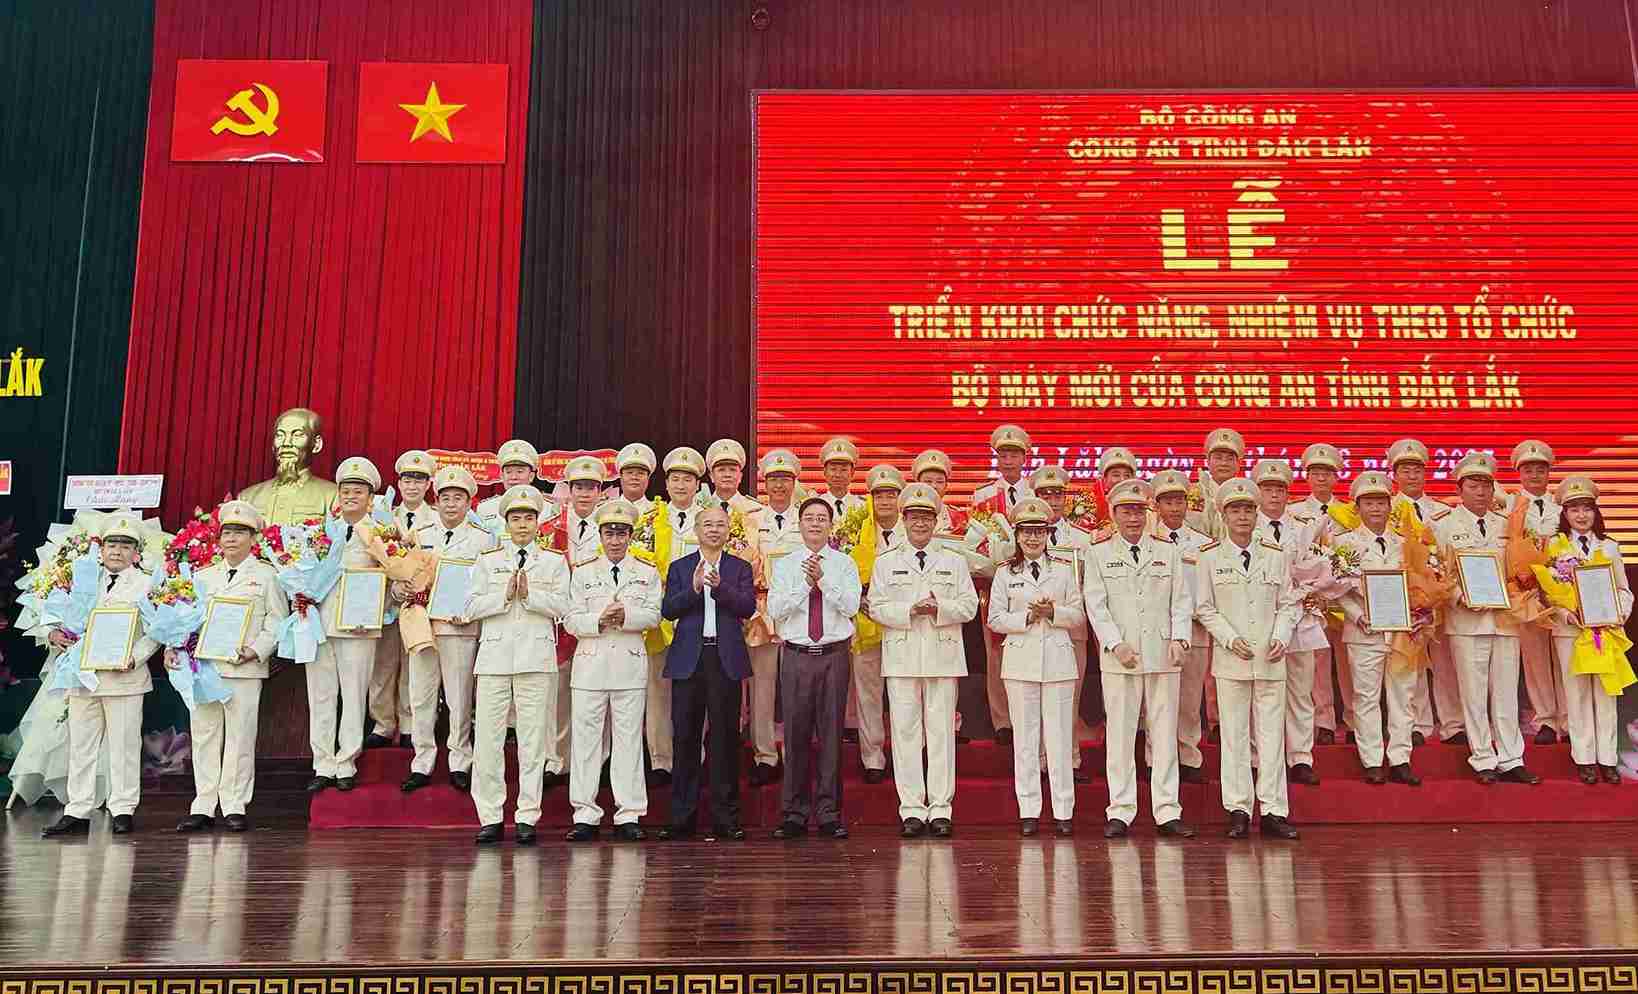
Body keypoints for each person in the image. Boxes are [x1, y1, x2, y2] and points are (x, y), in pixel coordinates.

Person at [1083, 480, 1196, 839]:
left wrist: (1180, 638)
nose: (1133, 518)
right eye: (1125, 511)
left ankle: (1167, 810)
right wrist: (1115, 644)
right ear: (1113, 514)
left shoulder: (1167, 550)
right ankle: (1120, 810)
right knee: (1120, 734)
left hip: (1163, 654)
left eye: (1138, 511)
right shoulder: (1097, 552)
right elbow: (1096, 605)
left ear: (1148, 514)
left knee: (1164, 734)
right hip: (1121, 657)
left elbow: (1181, 600)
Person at [868, 482, 978, 838]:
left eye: (926, 517)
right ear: (903, 519)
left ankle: (941, 808)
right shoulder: (886, 561)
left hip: (942, 655)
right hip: (902, 656)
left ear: (936, 520)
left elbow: (970, 606)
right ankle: (912, 809)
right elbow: (876, 607)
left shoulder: (954, 561)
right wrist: (909, 610)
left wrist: (939, 608)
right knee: (905, 733)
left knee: (942, 732)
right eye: (914, 516)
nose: (920, 523)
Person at [41, 514, 162, 838]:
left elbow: (157, 631)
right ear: (101, 549)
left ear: (135, 552)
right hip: (83, 676)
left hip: (125, 678)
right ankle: (77, 810)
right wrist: (53, 633)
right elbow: (56, 615)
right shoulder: (81, 578)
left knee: (124, 747)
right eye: (112, 545)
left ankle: (122, 808)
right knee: (81, 746)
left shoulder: (147, 583)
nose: (117, 551)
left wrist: (135, 658)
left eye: (125, 546)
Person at [1194, 478, 1302, 840]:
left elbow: (1289, 603)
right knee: (1234, 736)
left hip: (1271, 658)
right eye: (1235, 510)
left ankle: (1274, 810)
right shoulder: (1209, 556)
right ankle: (1238, 808)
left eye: (1248, 510)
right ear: (1223, 515)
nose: (1242, 516)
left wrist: (1281, 636)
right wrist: (1228, 638)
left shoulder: (1275, 554)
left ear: (1257, 514)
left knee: (1272, 737)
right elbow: (1204, 607)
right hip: (1232, 659)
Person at [463, 485, 571, 845]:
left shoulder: (553, 561)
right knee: (488, 741)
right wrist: (504, 595)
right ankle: (490, 816)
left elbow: (565, 607)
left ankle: (527, 815)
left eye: (528, 518)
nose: (522, 524)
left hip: (536, 659)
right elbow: (470, 607)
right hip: (494, 659)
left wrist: (531, 596)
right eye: (515, 518)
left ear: (537, 523)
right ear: (505, 523)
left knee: (532, 741)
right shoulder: (487, 559)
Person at [176, 500, 289, 832]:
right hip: (206, 668)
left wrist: (255, 650)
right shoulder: (203, 576)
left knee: (240, 737)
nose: (232, 539)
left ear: (253, 539)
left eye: (240, 533)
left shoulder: (268, 576)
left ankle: (234, 804)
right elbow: (186, 622)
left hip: (244, 668)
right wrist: (176, 647)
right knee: (204, 736)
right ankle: (203, 805)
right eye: (227, 533)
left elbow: (277, 622)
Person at [1431, 450, 1540, 786]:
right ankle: (1482, 758)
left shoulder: (1508, 525)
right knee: (1473, 693)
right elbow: (1435, 572)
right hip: (1466, 620)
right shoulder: (1443, 525)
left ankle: (1511, 758)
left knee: (1506, 692)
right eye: (1473, 485)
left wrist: (1523, 583)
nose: (1480, 492)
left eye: (1486, 485)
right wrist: (1459, 596)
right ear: (1460, 489)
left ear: (1494, 489)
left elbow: (1522, 568)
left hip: (1505, 619)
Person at [987, 498, 1086, 837]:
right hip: (1020, 662)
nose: (1032, 538)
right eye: (1026, 532)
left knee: (1059, 739)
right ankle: (1029, 810)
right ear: (1017, 535)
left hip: (1058, 661)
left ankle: (1063, 811)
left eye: (1039, 532)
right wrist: (1026, 617)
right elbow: (994, 619)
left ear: (1048, 534)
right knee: (1026, 740)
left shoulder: (1063, 569)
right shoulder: (1005, 572)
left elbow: (1078, 615)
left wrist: (1053, 612)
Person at [564, 498, 662, 840]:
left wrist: (627, 616)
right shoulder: (583, 571)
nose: (616, 540)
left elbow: (655, 615)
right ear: (600, 535)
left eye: (621, 533)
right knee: (586, 742)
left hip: (629, 665)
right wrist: (598, 620)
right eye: (609, 533)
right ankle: (584, 814)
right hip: (590, 665)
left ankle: (629, 813)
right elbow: (570, 619)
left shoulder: (646, 572)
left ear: (630, 536)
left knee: (628, 741)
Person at [660, 501, 756, 840]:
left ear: (728, 531)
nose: (714, 530)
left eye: (720, 525)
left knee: (725, 739)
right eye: (708, 525)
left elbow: (747, 607)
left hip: (724, 659)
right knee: (685, 738)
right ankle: (681, 818)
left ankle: (725, 818)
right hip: (689, 660)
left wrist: (720, 587)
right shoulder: (681, 567)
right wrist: (696, 588)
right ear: (697, 530)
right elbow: (668, 610)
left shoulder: (739, 567)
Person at [768, 494, 862, 839]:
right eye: (810, 518)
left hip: (834, 655)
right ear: (800, 524)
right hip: (796, 656)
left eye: (822, 518)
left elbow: (851, 606)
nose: (816, 523)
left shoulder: (844, 564)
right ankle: (794, 813)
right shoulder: (785, 564)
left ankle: (828, 813)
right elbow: (776, 609)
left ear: (831, 525)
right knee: (795, 735)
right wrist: (806, 584)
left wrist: (823, 580)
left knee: (831, 735)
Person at [403, 465, 493, 794]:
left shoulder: (483, 539)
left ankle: (460, 760)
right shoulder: (420, 533)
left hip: (459, 627)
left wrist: (470, 611)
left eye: (458, 498)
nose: (451, 504)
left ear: (469, 502)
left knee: (459, 697)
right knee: (421, 696)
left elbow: (487, 585)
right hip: (422, 626)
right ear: (436, 500)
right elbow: (402, 577)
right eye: (445, 498)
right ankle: (422, 761)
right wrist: (403, 589)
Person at [1333, 471, 1422, 786]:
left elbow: (1421, 586)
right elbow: (1337, 590)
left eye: (1381, 502)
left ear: (1389, 506)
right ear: (1357, 507)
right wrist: (1357, 616)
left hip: (1401, 632)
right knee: (1365, 696)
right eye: (1368, 503)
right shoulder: (1344, 544)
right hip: (1364, 631)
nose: (1375, 509)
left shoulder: (1407, 543)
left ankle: (1400, 758)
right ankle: (1371, 759)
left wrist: (1420, 613)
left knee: (1403, 695)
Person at [306, 457, 386, 794]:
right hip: (319, 624)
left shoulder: (381, 534)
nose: (351, 496)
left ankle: (346, 761)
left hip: (359, 626)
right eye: (346, 491)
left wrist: (379, 609)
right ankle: (322, 763)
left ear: (371, 497)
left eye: (358, 491)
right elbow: (302, 574)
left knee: (354, 694)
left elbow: (392, 578)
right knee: (320, 695)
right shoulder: (319, 532)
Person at [1548, 476, 1633, 784]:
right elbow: (1546, 594)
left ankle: (1607, 759)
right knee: (1577, 694)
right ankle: (1584, 758)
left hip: (1605, 632)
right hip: (1570, 633)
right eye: (1574, 510)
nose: (1581, 515)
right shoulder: (1554, 546)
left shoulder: (1609, 547)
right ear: (1565, 514)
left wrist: (1618, 614)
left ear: (1596, 512)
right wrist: (1565, 613)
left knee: (1606, 694)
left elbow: (1623, 590)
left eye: (1587, 508)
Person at [1250, 458, 1328, 787]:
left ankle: (1300, 757)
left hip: (1300, 619)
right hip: (1260, 620)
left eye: (1280, 489)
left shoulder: (1303, 527)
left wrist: (1315, 593)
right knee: (1262, 692)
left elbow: (1322, 570)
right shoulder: (1245, 527)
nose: (1274, 496)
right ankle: (1260, 758)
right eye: (1267, 489)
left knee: (1300, 690)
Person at [1389, 437, 1462, 746]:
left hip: (1441, 598)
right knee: (1412, 662)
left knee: (1446, 663)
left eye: (1417, 469)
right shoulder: (1386, 510)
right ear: (1394, 474)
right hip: (1405, 599)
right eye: (1405, 470)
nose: (1412, 476)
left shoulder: (1444, 512)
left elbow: (1451, 553)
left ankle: (1453, 724)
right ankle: (1418, 725)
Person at [643, 446, 708, 786]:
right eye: (675, 479)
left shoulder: (710, 520)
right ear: (666, 483)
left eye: (688, 479)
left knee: (698, 690)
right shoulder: (650, 520)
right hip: (661, 616)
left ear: (698, 484)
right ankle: (661, 760)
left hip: (699, 617)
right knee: (658, 690)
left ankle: (695, 757)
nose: (681, 485)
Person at [366, 449, 438, 750]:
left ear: (428, 484)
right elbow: (371, 563)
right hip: (387, 604)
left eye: (419, 480)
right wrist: (394, 587)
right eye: (407, 480)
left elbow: (439, 564)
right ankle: (383, 724)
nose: (412, 486)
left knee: (414, 666)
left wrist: (418, 588)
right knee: (382, 666)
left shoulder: (437, 520)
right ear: (399, 482)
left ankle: (410, 724)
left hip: (420, 605)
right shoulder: (383, 518)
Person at [548, 454, 612, 785]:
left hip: (599, 622)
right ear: (569, 490)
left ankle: (600, 761)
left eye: (591, 487)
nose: (585, 494)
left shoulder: (613, 527)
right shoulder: (553, 526)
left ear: (600, 492)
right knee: (559, 695)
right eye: (579, 487)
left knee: (600, 697)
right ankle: (558, 760)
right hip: (561, 623)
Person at [1148, 468, 1214, 782]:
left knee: (1189, 699)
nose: (1174, 508)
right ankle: (1155, 758)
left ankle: (1189, 756)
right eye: (1167, 502)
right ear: (1156, 506)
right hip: (1156, 631)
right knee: (1157, 700)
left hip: (1195, 630)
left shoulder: (1203, 544)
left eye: (1179, 501)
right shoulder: (1146, 541)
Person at [1029, 464, 1093, 781]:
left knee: (1069, 699)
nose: (1052, 501)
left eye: (1057, 495)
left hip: (1070, 630)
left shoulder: (1083, 538)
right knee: (1033, 701)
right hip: (1030, 629)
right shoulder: (1024, 536)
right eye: (1045, 495)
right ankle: (1038, 762)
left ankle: (1069, 761)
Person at [973, 425, 1034, 745]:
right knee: (995, 651)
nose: (1008, 460)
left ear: (1025, 458)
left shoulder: (1036, 493)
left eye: (1014, 454)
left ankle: (1028, 715)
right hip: (994, 584)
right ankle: (1003, 721)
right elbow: (975, 542)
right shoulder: (982, 496)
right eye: (1003, 454)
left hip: (1033, 585)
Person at [748, 449, 805, 785]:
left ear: (794, 482)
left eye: (785, 479)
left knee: (798, 687)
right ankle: (765, 755)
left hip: (799, 611)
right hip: (763, 610)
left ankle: (796, 755)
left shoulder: (808, 517)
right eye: (773, 479)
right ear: (765, 483)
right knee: (763, 685)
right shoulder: (753, 520)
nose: (779, 485)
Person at [1291, 442, 1351, 746]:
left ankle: (1353, 721)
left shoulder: (1351, 512)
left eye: (1328, 472)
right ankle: (1322, 720)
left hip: (1345, 598)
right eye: (1316, 472)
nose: (1322, 478)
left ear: (1337, 476)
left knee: (1349, 661)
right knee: (1316, 661)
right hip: (1311, 598)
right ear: (1307, 476)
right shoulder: (1294, 512)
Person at [851, 462, 908, 782]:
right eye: (879, 495)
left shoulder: (912, 531)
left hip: (903, 625)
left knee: (903, 695)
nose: (885, 501)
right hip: (866, 621)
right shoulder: (854, 531)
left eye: (891, 495)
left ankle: (904, 755)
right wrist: (856, 599)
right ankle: (872, 757)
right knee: (868, 694)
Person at [1508, 439, 1565, 745]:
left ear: (1549, 472)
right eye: (1528, 470)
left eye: (1540, 469)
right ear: (1519, 473)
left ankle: (1569, 720)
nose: (1534, 475)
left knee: (1565, 657)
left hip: (1563, 593)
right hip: (1527, 592)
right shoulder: (1509, 507)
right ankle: (1545, 719)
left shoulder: (1563, 506)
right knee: (1535, 658)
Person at [236, 406, 339, 526]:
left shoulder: (332, 496)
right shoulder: (247, 498)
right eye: (280, 435)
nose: (286, 443)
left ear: (316, 444)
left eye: (297, 435)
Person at [475, 439, 551, 532]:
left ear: (531, 476)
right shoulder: (485, 508)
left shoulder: (548, 509)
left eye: (520, 472)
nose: (514, 477)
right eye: (508, 472)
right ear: (502, 476)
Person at [1187, 428, 1246, 539]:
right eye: (1218, 458)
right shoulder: (1192, 494)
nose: (1224, 463)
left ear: (1239, 464)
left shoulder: (1248, 495)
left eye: (1230, 459)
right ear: (1208, 461)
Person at [818, 437, 866, 519]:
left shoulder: (863, 505)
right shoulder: (814, 505)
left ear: (852, 472)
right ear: (825, 472)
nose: (838, 474)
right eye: (833, 469)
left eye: (844, 469)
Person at [614, 443, 657, 511]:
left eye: (640, 473)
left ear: (648, 478)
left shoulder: (658, 511)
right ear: (621, 477)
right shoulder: (606, 510)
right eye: (629, 473)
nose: (634, 477)